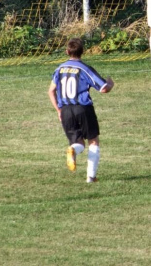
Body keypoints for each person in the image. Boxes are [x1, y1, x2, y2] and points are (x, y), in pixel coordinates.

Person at [48, 38, 114, 183]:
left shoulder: (59, 69)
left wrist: (58, 110)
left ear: (67, 52)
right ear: (82, 51)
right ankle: (91, 177)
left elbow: (51, 91)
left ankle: (73, 151)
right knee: (93, 141)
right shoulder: (84, 68)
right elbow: (104, 89)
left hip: (65, 110)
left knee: (78, 143)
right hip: (83, 108)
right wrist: (110, 83)